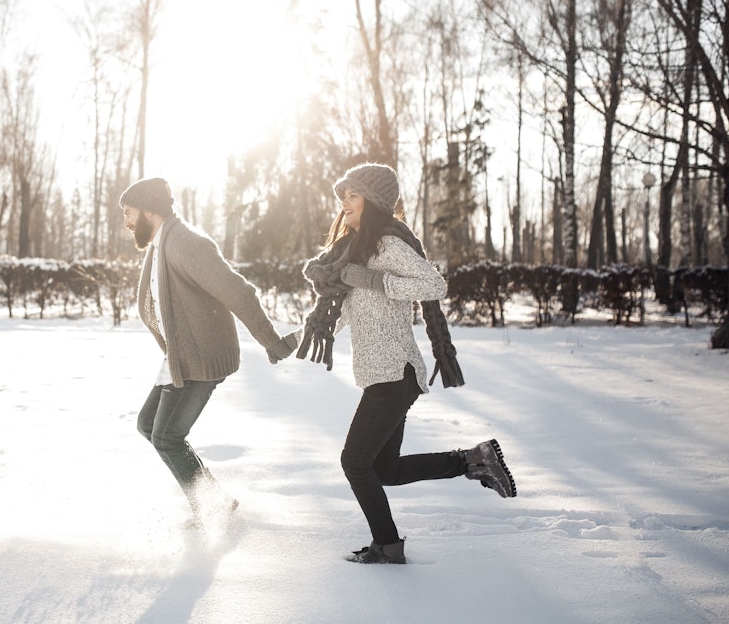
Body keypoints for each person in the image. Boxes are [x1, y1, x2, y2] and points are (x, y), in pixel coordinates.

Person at [293, 163, 516, 565]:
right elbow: (344, 313)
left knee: (354, 463)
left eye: (353, 194)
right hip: (385, 375)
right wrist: (296, 337)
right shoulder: (355, 250)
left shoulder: (386, 244)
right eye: (342, 195)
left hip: (395, 373)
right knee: (386, 469)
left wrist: (375, 280)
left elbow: (434, 285)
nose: (344, 201)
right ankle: (473, 459)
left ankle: (388, 545)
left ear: (373, 201)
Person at [120, 176, 297, 528]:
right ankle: (214, 500)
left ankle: (211, 506)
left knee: (167, 437)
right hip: (181, 357)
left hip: (201, 359)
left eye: (128, 212)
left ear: (149, 211)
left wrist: (271, 341)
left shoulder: (187, 244)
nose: (125, 221)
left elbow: (239, 292)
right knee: (148, 425)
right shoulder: (160, 242)